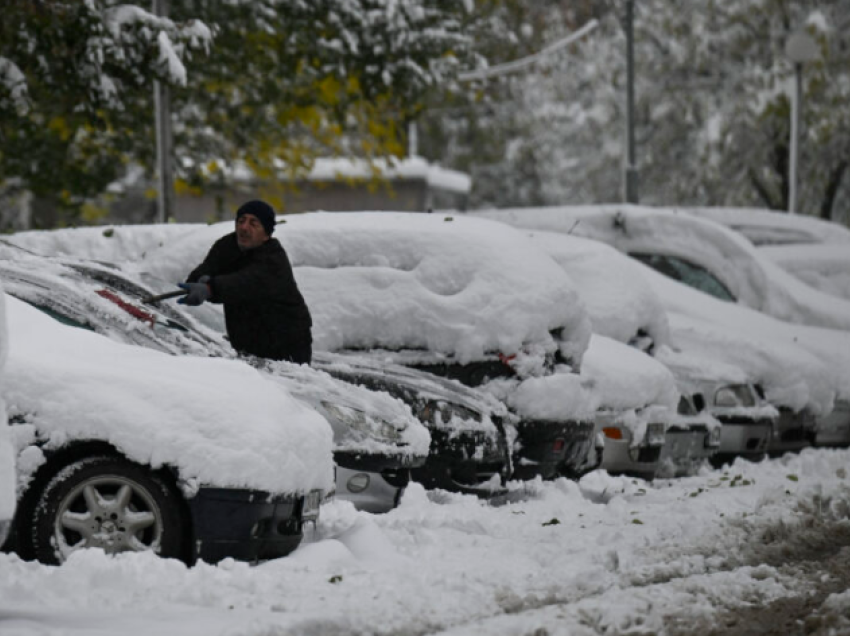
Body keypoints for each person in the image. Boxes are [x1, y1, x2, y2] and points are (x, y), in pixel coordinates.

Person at [178, 199, 313, 364]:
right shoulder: (227, 246)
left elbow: (244, 283)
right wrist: (201, 280)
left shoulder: (273, 259)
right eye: (241, 221)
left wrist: (210, 288)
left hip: (286, 345)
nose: (244, 227)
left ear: (266, 234)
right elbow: (206, 269)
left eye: (253, 223)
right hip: (247, 344)